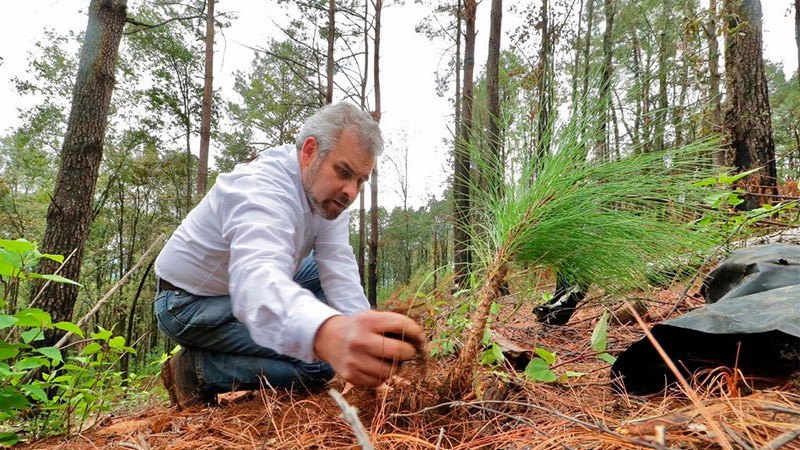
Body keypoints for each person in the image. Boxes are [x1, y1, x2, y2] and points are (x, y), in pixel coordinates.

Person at [154, 102, 425, 409]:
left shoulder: (328, 197)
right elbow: (256, 281)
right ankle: (196, 370)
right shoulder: (261, 189)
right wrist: (329, 335)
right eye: (344, 172)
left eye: (360, 180)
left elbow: (337, 265)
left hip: (232, 286)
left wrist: (363, 333)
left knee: (319, 287)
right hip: (187, 303)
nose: (351, 191)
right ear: (309, 151)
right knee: (318, 364)